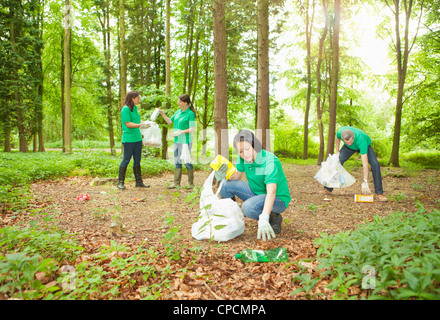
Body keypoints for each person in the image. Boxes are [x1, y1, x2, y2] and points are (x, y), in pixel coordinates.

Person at [215, 129, 291, 241]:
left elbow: (271, 192)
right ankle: (232, 218)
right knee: (226, 185)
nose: (244, 154)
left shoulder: (269, 161)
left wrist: (264, 217)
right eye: (240, 151)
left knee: (248, 207)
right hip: (256, 193)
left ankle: (272, 216)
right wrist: (224, 173)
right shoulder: (243, 158)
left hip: (278, 199)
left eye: (247, 148)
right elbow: (236, 176)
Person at [323, 126, 388, 201]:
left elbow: (365, 163)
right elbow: (337, 139)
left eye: (350, 142)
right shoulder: (340, 133)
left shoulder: (361, 140)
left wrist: (365, 181)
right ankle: (327, 189)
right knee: (337, 163)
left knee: (375, 165)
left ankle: (379, 193)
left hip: (364, 145)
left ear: (353, 137)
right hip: (348, 149)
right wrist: (337, 151)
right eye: (346, 142)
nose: (349, 143)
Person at [158, 94, 197, 189]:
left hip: (186, 141)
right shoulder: (178, 112)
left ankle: (191, 184)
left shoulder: (190, 113)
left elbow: (192, 129)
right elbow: (169, 121)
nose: (178, 103)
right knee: (177, 161)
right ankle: (176, 183)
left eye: (180, 101)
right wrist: (162, 113)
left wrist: (181, 132)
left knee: (186, 161)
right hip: (177, 141)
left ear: (185, 103)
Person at [117, 90, 150, 190]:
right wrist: (141, 125)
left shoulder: (135, 108)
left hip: (137, 138)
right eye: (138, 98)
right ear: (132, 98)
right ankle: (120, 182)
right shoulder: (125, 109)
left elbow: (137, 120)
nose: (139, 100)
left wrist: (146, 123)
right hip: (129, 139)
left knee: (137, 160)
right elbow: (127, 124)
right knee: (126, 159)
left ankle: (139, 182)